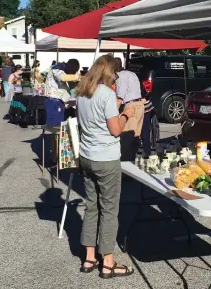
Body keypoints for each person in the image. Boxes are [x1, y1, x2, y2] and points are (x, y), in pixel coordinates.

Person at [76, 54, 135, 279]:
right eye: (116, 74)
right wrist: (125, 114)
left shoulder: (82, 91)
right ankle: (108, 262)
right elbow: (115, 130)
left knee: (92, 207)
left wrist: (114, 108)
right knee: (110, 210)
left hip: (87, 155)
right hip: (106, 158)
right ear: (110, 73)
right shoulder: (107, 94)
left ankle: (89, 257)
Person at [114, 58, 145, 161]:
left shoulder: (120, 76)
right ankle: (135, 161)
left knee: (127, 138)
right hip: (140, 104)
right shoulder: (131, 74)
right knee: (136, 137)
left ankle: (127, 166)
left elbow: (120, 97)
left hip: (131, 106)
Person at [44, 59, 80, 126]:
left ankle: (58, 136)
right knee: (57, 126)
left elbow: (72, 85)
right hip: (54, 101)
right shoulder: (57, 68)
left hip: (60, 102)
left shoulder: (65, 71)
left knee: (61, 127)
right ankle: (56, 136)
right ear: (70, 66)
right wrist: (79, 77)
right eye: (74, 71)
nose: (73, 73)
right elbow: (63, 78)